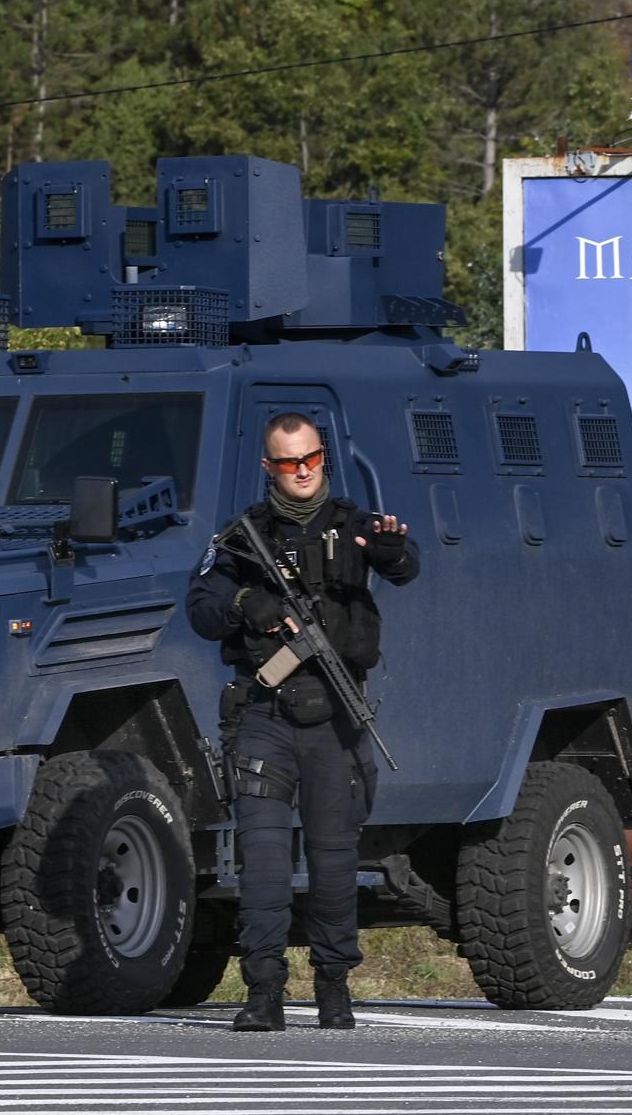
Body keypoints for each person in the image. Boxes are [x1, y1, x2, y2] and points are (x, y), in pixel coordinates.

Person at [187, 412, 419, 1032]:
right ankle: (263, 990)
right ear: (270, 467)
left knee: (334, 858)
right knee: (262, 860)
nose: (303, 472)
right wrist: (246, 603)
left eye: (312, 459)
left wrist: (395, 554)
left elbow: (404, 563)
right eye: (289, 463)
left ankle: (333, 987)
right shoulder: (243, 535)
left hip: (336, 719)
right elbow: (201, 606)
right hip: (266, 714)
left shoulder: (354, 523)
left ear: (324, 458)